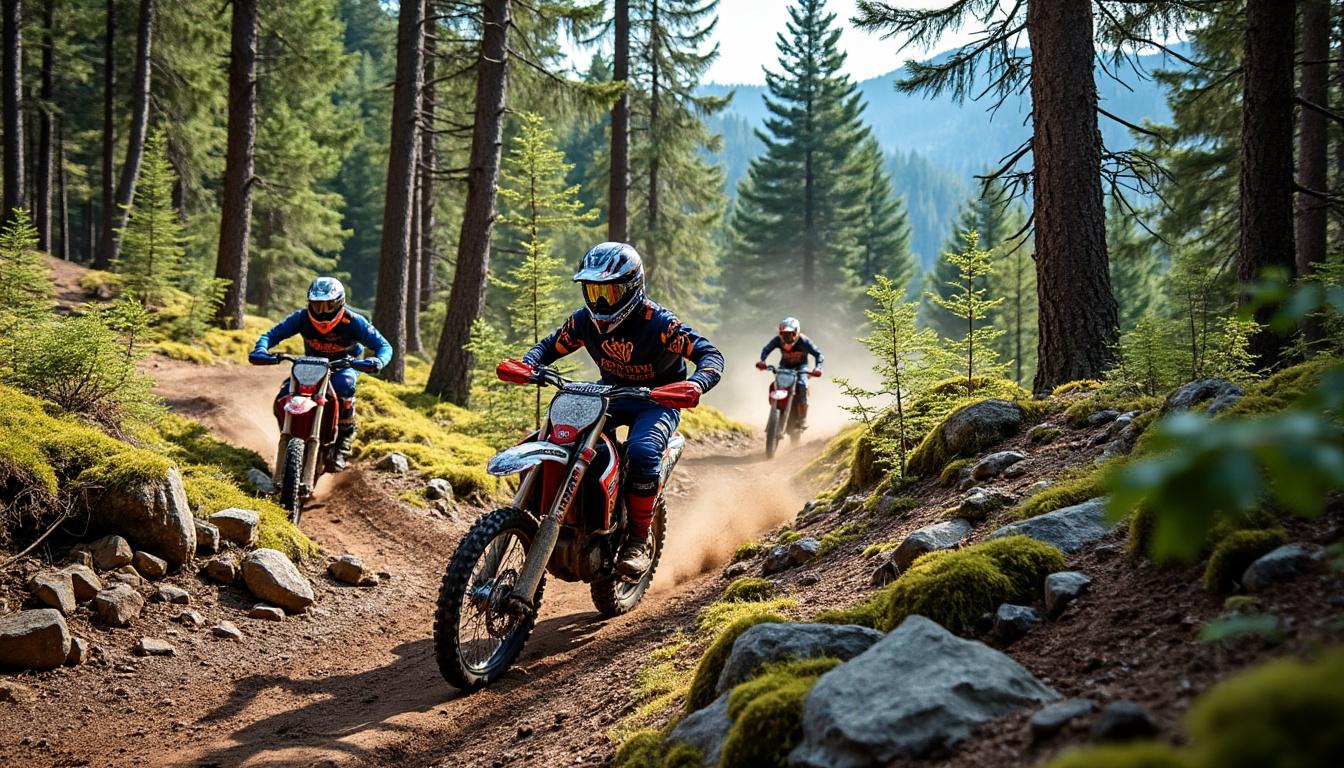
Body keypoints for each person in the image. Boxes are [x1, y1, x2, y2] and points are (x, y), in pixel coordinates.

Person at [512, 242, 724, 577]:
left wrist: (696, 384)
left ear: (632, 288)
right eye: (593, 291)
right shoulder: (584, 322)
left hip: (658, 400)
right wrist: (528, 365)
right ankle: (576, 514)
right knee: (568, 439)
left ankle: (638, 539)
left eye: (609, 293)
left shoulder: (659, 324)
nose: (599, 301)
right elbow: (548, 347)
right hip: (612, 395)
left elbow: (710, 355)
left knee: (641, 452)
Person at [248, 277, 392, 471]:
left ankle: (342, 444)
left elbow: (384, 346)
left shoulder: (354, 321)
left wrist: (377, 361)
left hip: (344, 365)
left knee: (345, 386)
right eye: (316, 305)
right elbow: (270, 335)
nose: (321, 311)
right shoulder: (302, 318)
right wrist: (261, 350)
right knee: (283, 396)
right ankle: (290, 433)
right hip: (311, 365)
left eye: (327, 306)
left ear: (339, 303)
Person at [755, 317, 824, 429]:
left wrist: (818, 368)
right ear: (780, 333)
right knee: (776, 385)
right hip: (784, 367)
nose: (787, 337)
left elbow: (818, 354)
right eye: (784, 334)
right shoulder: (778, 340)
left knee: (802, 385)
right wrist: (762, 361)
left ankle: (802, 419)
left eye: (790, 334)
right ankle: (776, 407)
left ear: (796, 332)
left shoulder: (804, 341)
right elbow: (766, 349)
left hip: (801, 367)